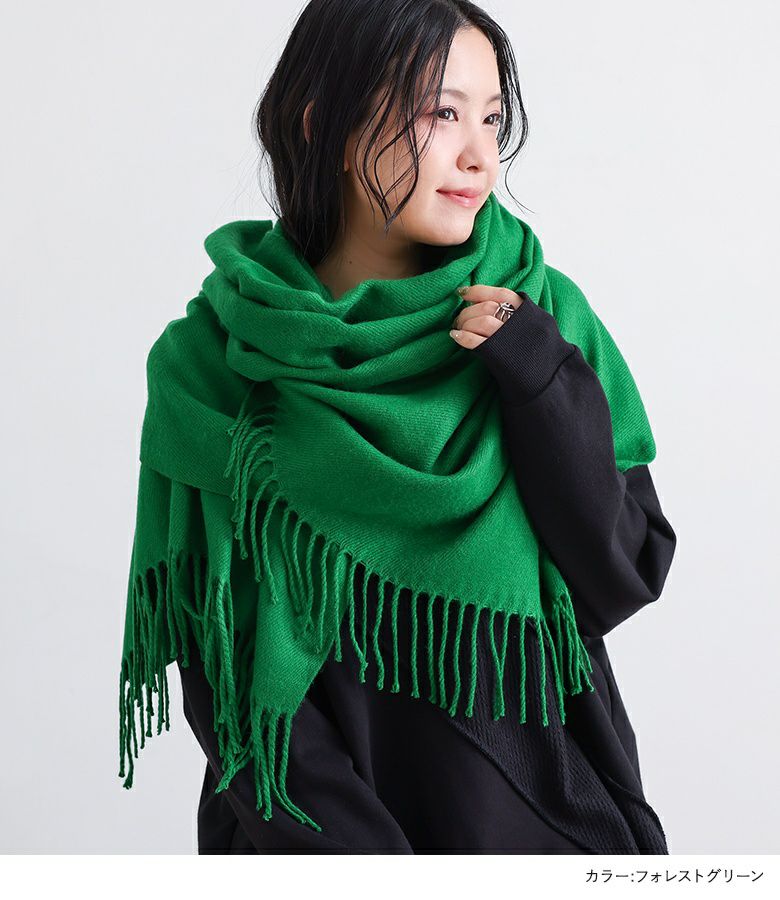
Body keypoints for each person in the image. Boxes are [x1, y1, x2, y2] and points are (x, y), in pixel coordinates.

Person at [120, 0, 677, 854]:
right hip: (312, 843)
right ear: (325, 125)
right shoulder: (209, 366)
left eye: (492, 119)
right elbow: (227, 674)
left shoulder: (539, 315)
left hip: (546, 832)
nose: (480, 155)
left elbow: (623, 575)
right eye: (441, 114)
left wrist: (539, 381)